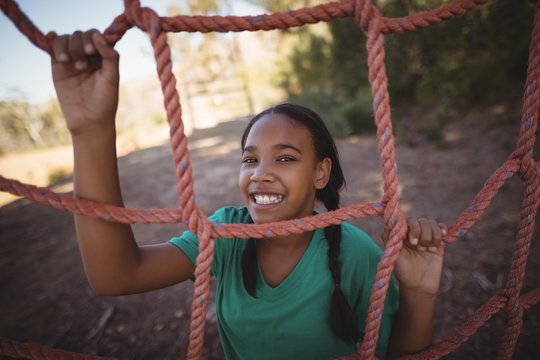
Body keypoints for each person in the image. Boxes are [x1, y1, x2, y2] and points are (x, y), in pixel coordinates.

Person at [50, 30, 447, 359]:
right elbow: (115, 274)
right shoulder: (225, 236)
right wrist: (91, 131)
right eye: (250, 160)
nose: (261, 175)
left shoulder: (355, 253)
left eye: (285, 158)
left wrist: (419, 293)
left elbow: (400, 351)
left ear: (320, 173)